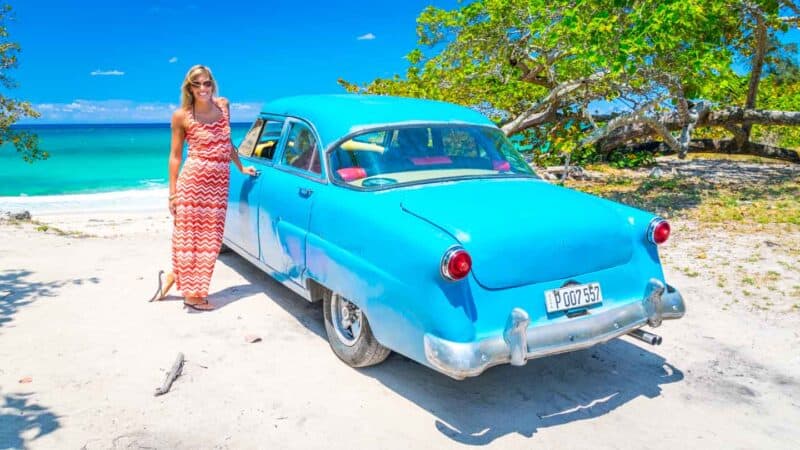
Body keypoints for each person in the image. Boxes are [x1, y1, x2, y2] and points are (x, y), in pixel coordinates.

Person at [150, 65, 255, 311]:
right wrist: (172, 193)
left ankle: (173, 277)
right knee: (190, 239)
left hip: (219, 184)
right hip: (193, 183)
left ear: (213, 84)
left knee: (211, 239)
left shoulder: (224, 106)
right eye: (196, 84)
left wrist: (240, 168)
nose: (203, 88)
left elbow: (226, 142)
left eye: (206, 83)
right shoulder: (181, 116)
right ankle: (193, 297)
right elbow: (175, 156)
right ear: (189, 87)